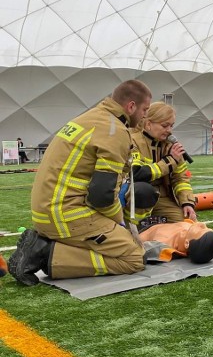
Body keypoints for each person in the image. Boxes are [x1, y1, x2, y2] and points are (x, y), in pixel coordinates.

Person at [9, 80, 152, 285]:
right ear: (131, 106)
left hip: (46, 210)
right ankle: (43, 253)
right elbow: (101, 196)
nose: (145, 115)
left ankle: (44, 245)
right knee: (134, 257)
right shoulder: (115, 130)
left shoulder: (91, 118)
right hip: (66, 214)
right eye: (145, 109)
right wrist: (119, 223)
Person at [129, 102, 196, 224]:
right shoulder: (132, 141)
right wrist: (170, 161)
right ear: (148, 124)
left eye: (171, 126)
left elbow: (181, 179)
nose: (169, 131)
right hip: (137, 198)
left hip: (162, 198)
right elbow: (137, 174)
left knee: (188, 226)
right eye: (165, 126)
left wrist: (187, 202)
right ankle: (133, 229)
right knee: (143, 191)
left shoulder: (171, 146)